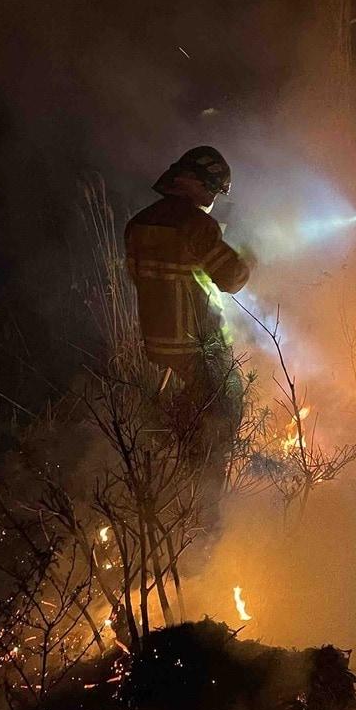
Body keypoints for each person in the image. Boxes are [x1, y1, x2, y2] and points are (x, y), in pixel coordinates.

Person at [124, 146, 251, 528]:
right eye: (212, 188)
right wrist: (248, 261)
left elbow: (138, 279)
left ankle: (160, 500)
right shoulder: (197, 225)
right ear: (194, 182)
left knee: (171, 427)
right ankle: (205, 511)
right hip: (198, 346)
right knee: (222, 413)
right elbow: (231, 278)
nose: (212, 199)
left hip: (156, 346)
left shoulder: (139, 223)